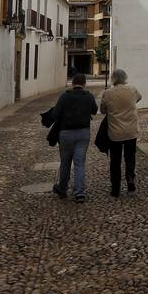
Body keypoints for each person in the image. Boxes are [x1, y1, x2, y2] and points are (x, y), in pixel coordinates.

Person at [51, 73, 98, 202]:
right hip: (83, 133)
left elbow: (55, 114)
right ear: (84, 83)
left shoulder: (64, 96)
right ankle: (79, 193)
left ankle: (63, 189)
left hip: (66, 133)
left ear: (72, 83)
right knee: (79, 163)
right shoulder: (88, 96)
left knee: (65, 163)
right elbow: (94, 110)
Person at [100, 68, 142, 197]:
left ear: (113, 78)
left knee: (115, 160)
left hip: (115, 132)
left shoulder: (107, 93)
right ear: (125, 77)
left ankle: (115, 188)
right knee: (130, 157)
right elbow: (138, 98)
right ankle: (130, 179)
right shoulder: (132, 89)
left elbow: (102, 110)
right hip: (131, 131)